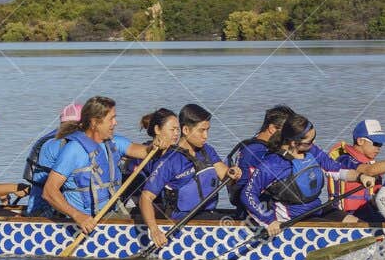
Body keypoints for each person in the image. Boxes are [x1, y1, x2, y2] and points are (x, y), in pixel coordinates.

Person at [240, 113, 385, 236]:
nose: (313, 145)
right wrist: (269, 221)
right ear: (293, 142)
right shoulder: (273, 164)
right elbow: (247, 194)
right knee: (347, 232)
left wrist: (360, 177)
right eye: (308, 142)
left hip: (317, 208)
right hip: (292, 218)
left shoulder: (312, 152)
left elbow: (336, 170)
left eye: (313, 140)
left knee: (360, 227)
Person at [39, 96, 161, 235]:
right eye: (111, 119)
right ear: (95, 122)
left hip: (110, 216)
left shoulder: (114, 142)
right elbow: (49, 191)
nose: (115, 123)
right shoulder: (73, 150)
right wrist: (78, 216)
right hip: (84, 224)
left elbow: (147, 152)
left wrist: (158, 145)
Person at [138, 104, 241, 248]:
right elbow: (146, 198)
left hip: (207, 214)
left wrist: (233, 173)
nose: (206, 136)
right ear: (186, 130)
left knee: (241, 215)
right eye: (201, 131)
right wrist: (154, 230)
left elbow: (225, 174)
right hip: (182, 219)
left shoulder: (207, 151)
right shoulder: (170, 160)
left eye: (207, 130)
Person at [227, 104, 294, 210]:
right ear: (272, 129)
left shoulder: (250, 145)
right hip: (253, 210)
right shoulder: (258, 151)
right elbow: (244, 190)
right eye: (288, 132)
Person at [326, 119, 385, 219]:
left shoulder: (370, 162)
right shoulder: (344, 160)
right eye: (376, 143)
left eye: (381, 144)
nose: (379, 148)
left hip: (366, 211)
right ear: (360, 141)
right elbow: (369, 171)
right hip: (343, 214)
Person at [25, 103, 83, 217]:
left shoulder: (50, 139)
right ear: (81, 124)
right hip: (45, 211)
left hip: (36, 205)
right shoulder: (66, 143)